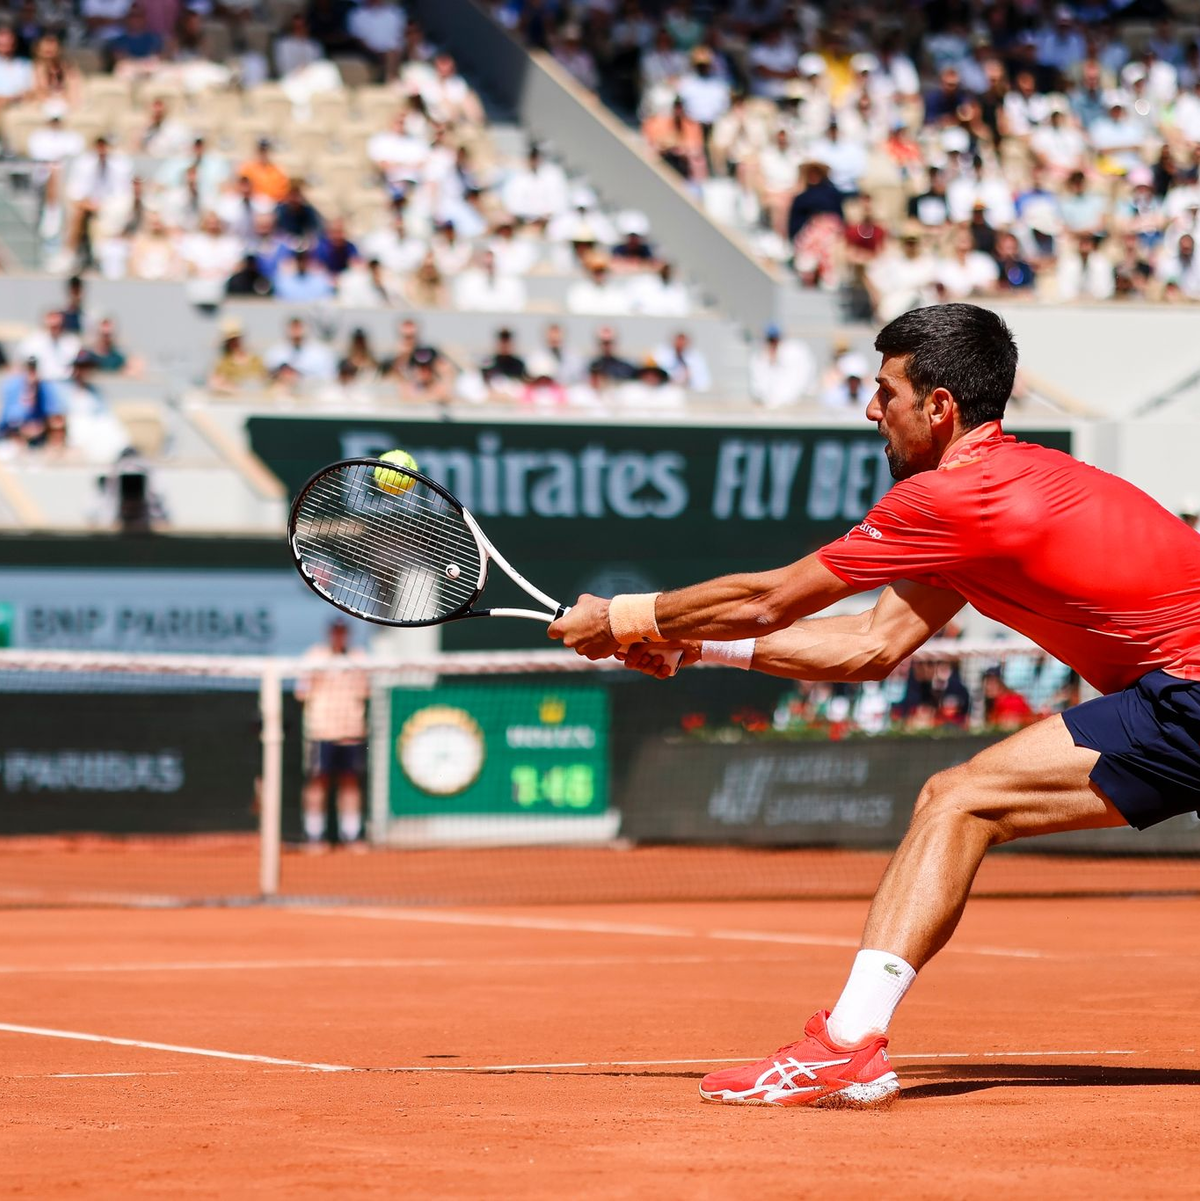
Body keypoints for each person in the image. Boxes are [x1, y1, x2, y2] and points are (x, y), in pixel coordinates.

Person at [549, 302, 1200, 1109]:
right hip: (1175, 699)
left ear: (939, 406)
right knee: (959, 800)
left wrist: (625, 617)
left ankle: (846, 1046)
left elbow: (769, 599)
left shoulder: (953, 499)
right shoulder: (990, 496)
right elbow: (871, 643)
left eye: (885, 391)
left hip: (1187, 694)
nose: (870, 409)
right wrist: (699, 646)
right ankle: (847, 1044)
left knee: (959, 800)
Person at [296, 618, 370, 849]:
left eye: (343, 632)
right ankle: (314, 835)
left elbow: (365, 691)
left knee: (350, 782)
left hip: (351, 731)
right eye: (335, 632)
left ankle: (351, 835)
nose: (339, 636)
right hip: (322, 731)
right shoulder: (314, 656)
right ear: (329, 633)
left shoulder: (358, 657)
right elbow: (301, 692)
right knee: (318, 782)